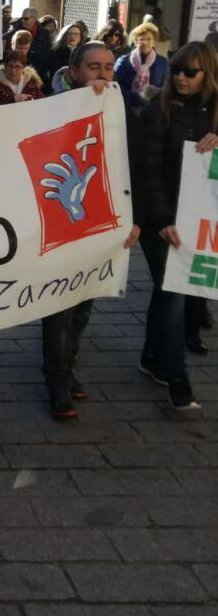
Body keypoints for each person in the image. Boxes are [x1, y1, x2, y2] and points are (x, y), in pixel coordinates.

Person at [40, 41, 142, 418]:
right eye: (93, 67)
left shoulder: (124, 108)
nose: (101, 75)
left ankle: (66, 365)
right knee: (60, 305)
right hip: (60, 221)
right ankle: (57, 380)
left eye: (107, 68)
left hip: (103, 221)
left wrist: (137, 218)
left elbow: (136, 163)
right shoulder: (48, 109)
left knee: (86, 300)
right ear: (73, 73)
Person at [137, 41, 218, 411]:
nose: (182, 78)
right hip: (162, 218)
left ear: (208, 75)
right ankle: (177, 378)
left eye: (191, 72)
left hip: (198, 217)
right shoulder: (159, 109)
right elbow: (148, 169)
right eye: (177, 70)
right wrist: (162, 219)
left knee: (166, 291)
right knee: (172, 291)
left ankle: (153, 358)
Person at [115, 21, 169, 108]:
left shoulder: (163, 63)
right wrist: (137, 99)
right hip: (127, 107)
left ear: (154, 42)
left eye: (149, 39)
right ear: (136, 41)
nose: (145, 42)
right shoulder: (123, 61)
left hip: (153, 109)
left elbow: (166, 86)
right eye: (141, 39)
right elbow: (116, 86)